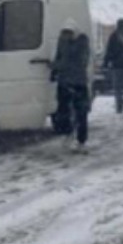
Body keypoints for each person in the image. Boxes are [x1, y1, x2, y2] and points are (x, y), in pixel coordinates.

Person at [51, 19, 92, 150]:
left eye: (68, 33)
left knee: (80, 112)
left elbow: (69, 61)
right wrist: (54, 71)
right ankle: (68, 134)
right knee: (64, 111)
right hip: (66, 81)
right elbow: (59, 56)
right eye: (64, 33)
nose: (66, 35)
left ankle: (80, 140)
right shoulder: (62, 41)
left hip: (77, 82)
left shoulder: (81, 42)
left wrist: (55, 66)